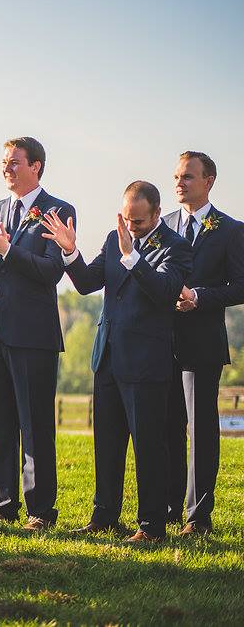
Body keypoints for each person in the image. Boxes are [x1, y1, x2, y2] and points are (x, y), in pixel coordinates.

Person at [42, 181, 192, 542]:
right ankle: (104, 516)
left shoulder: (177, 248)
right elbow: (87, 283)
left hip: (147, 362)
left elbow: (164, 291)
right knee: (106, 443)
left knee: (148, 447)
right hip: (108, 356)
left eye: (138, 221)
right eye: (127, 218)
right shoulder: (114, 238)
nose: (131, 227)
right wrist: (69, 252)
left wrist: (133, 257)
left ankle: (152, 527)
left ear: (157, 214)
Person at [0, 137, 75, 531]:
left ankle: (41, 512)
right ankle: (2, 505)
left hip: (32, 336)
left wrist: (8, 250)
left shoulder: (57, 211)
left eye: (14, 163)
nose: (6, 169)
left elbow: (51, 271)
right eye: (3, 163)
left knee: (36, 424)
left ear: (36, 166)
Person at [163, 151, 244, 535]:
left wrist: (199, 297)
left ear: (209, 180)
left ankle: (198, 518)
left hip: (204, 342)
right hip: (161, 343)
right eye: (177, 176)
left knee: (201, 430)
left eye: (188, 177)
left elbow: (240, 286)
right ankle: (166, 510)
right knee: (167, 429)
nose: (179, 182)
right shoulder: (161, 226)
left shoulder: (230, 229)